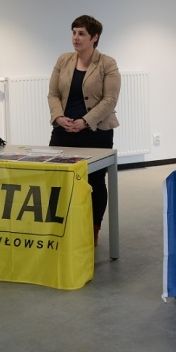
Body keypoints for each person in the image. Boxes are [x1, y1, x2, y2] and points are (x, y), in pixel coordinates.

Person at [48, 15, 121, 246]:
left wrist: (85, 121)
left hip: (96, 132)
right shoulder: (63, 60)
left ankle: (93, 229)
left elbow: (110, 100)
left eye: (81, 34)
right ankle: (60, 227)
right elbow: (53, 94)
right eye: (73, 32)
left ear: (94, 37)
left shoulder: (107, 63)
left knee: (95, 182)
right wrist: (59, 117)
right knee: (57, 179)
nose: (75, 38)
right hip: (64, 130)